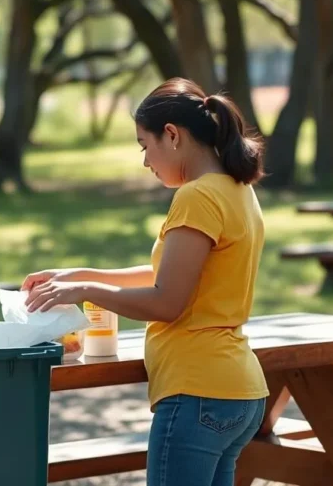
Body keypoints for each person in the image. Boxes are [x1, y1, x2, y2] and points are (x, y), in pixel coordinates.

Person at [21, 78, 269, 486]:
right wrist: (75, 276)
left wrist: (85, 292)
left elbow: (166, 301)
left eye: (144, 145)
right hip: (237, 391)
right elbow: (168, 273)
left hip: (198, 393)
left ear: (171, 135)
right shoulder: (236, 190)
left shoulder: (197, 197)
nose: (144, 161)